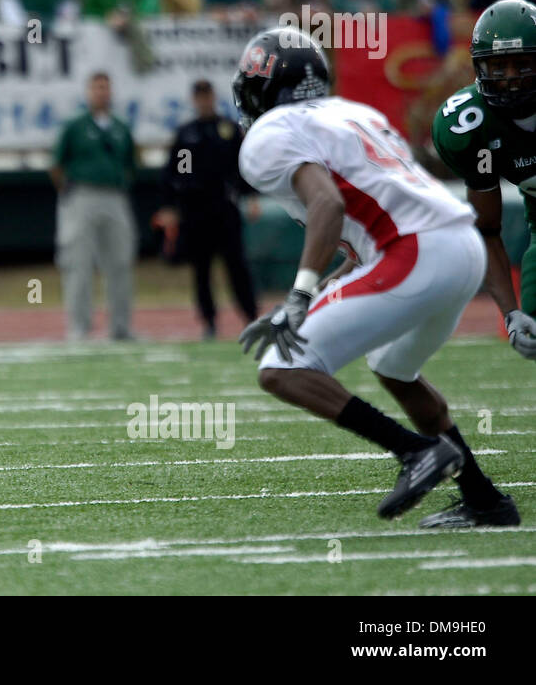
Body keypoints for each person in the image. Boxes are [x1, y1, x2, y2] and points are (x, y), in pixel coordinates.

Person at [233, 26, 515, 527]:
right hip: (460, 248)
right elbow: (365, 242)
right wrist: (310, 293)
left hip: (417, 253)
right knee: (393, 367)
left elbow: (328, 204)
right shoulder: (355, 113)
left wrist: (298, 296)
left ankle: (414, 452)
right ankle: (484, 499)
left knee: (281, 367)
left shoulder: (269, 134)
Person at [432, 0, 536, 523]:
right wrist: (510, 311)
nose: (512, 78)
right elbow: (489, 228)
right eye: (499, 66)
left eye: (523, 64)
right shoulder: (471, 125)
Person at [155, 81, 259, 340]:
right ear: (194, 100)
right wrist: (172, 204)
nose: (204, 101)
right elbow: (175, 173)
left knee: (236, 265)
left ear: (213, 97)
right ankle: (209, 321)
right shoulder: (187, 134)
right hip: (195, 210)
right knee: (201, 269)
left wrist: (251, 196)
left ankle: (250, 316)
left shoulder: (228, 130)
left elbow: (242, 166)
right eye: (199, 97)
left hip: (225, 206)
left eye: (207, 96)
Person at [50, 72, 137, 342]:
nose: (102, 93)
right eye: (97, 88)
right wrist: (68, 192)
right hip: (82, 195)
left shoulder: (121, 126)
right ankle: (79, 328)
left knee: (121, 262)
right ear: (88, 92)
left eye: (106, 88)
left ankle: (120, 328)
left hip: (115, 196)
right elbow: (56, 164)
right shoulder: (75, 125)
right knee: (79, 264)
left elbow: (131, 162)